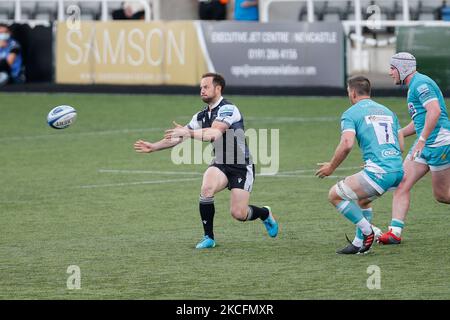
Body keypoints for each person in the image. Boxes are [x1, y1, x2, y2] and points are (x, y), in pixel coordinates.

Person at [134, 72, 278, 249]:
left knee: (239, 213)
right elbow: (180, 136)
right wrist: (154, 146)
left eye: (206, 87)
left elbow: (215, 132)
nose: (202, 90)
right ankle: (208, 237)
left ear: (218, 88)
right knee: (207, 187)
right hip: (220, 163)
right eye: (201, 87)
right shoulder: (200, 116)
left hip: (241, 165)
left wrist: (189, 133)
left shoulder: (228, 109)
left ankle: (264, 213)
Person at [316, 76, 404, 254]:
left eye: (348, 92)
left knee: (334, 195)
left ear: (353, 92)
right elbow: (401, 145)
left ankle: (367, 231)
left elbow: (347, 144)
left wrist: (331, 167)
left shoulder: (351, 113)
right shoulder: (388, 111)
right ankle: (359, 244)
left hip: (379, 172)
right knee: (363, 200)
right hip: (398, 171)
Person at [378, 52, 450, 245]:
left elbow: (434, 111)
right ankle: (394, 232)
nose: (390, 72)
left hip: (438, 144)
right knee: (402, 183)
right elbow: (420, 119)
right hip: (426, 144)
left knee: (443, 196)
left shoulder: (421, 84)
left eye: (393, 68)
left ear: (403, 68)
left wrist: (422, 139)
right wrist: (400, 133)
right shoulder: (414, 86)